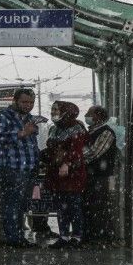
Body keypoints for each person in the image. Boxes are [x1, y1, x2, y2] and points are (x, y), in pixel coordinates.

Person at [0, 88, 39, 248]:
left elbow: (31, 143)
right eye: (24, 102)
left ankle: (19, 237)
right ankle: (13, 239)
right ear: (15, 101)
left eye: (31, 102)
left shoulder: (30, 118)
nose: (28, 105)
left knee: (22, 205)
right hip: (11, 168)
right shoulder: (3, 116)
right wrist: (22, 133)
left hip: (28, 168)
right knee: (12, 204)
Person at [43, 101, 87, 249]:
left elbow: (78, 151)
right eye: (52, 110)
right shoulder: (54, 129)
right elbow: (50, 148)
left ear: (66, 112)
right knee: (61, 207)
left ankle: (77, 236)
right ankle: (63, 236)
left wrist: (67, 163)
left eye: (56, 110)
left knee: (74, 206)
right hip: (56, 174)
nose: (53, 113)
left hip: (72, 175)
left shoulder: (77, 128)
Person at [82, 105, 117, 243]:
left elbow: (94, 153)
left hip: (101, 177)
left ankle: (101, 236)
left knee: (98, 206)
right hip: (91, 176)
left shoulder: (106, 132)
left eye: (89, 113)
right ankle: (91, 234)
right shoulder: (91, 132)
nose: (86, 116)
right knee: (89, 205)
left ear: (99, 116)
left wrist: (75, 158)